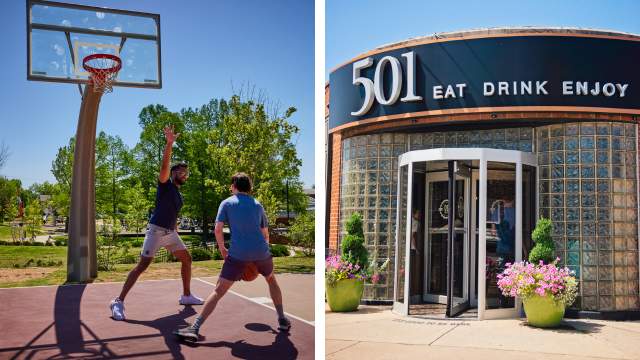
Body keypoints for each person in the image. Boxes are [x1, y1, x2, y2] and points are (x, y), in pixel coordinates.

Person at [174, 172, 291, 341]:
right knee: (271, 280)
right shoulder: (258, 205)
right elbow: (265, 234)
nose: (230, 186)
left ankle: (195, 327)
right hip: (261, 251)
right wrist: (261, 252)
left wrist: (222, 249)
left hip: (238, 254)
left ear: (235, 185)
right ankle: (282, 319)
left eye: (231, 184)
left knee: (219, 290)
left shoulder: (227, 203)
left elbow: (218, 229)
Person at [110, 125, 203, 321]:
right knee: (142, 266)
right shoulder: (165, 185)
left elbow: (174, 214)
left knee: (187, 259)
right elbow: (164, 167)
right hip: (155, 231)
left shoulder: (178, 195)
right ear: (174, 172)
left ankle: (186, 296)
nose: (185, 175)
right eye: (182, 172)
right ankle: (117, 301)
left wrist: (175, 233)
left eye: (187, 173)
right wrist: (169, 144)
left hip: (170, 233)